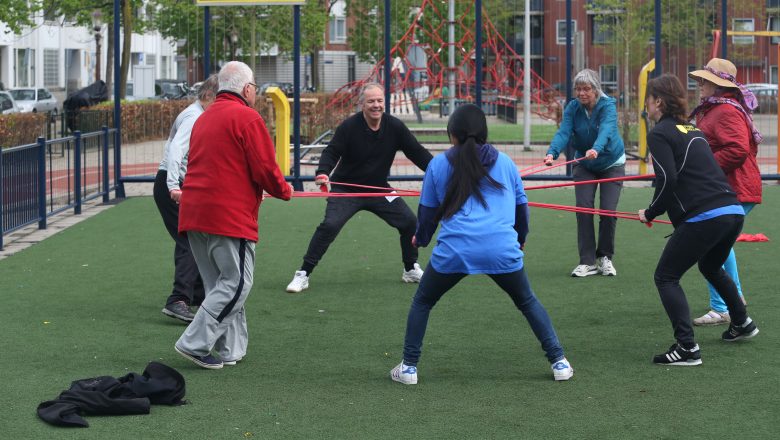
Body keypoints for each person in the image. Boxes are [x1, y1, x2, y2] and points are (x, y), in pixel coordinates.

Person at [390, 104, 573, 385]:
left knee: (423, 301)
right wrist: (520, 239)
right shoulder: (506, 163)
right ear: (484, 133)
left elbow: (426, 214)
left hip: (455, 251)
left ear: (452, 134)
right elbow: (522, 208)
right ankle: (559, 361)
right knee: (526, 301)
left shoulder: (438, 165)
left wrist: (421, 239)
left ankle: (409, 368)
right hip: (501, 248)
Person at [174, 61, 293, 369]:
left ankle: (231, 349)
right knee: (237, 284)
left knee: (220, 285)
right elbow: (265, 168)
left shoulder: (205, 117)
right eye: (255, 87)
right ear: (247, 89)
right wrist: (284, 190)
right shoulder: (247, 118)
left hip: (195, 213)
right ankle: (194, 342)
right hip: (227, 217)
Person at [639, 74, 758, 366]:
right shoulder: (692, 129)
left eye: (647, 100)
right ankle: (742, 322)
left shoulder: (659, 133)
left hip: (705, 216)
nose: (645, 106)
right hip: (731, 211)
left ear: (658, 102)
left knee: (666, 276)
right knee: (710, 265)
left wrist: (651, 212)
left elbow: (667, 179)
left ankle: (687, 348)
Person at [285, 82, 433, 293]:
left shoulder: (395, 127)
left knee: (410, 222)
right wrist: (323, 172)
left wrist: (439, 172)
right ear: (362, 104)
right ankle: (303, 274)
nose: (376, 105)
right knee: (330, 225)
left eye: (379, 101)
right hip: (347, 190)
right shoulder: (349, 127)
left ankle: (410, 269)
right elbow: (331, 151)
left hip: (379, 190)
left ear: (385, 103)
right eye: (371, 101)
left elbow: (417, 152)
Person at [688, 58, 763, 326]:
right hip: (729, 188)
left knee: (714, 247)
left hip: (734, 189)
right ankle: (730, 303)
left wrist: (705, 168)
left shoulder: (725, 111)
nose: (699, 85)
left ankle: (727, 305)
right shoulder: (715, 109)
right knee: (718, 247)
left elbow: (737, 149)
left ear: (718, 84)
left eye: (704, 81)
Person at [544, 69, 626, 277]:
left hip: (611, 163)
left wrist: (596, 148)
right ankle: (587, 261)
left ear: (596, 90)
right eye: (578, 89)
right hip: (585, 164)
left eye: (586, 89)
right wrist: (552, 153)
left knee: (608, 211)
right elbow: (564, 131)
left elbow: (607, 130)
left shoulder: (607, 106)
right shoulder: (572, 108)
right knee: (584, 208)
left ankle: (605, 258)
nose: (581, 93)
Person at [153, 74, 218, 323]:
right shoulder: (194, 116)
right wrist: (173, 186)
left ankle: (198, 294)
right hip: (172, 186)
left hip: (178, 185)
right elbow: (176, 150)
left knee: (197, 237)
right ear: (208, 96)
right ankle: (178, 299)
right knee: (189, 239)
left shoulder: (198, 114)